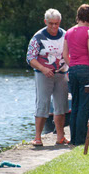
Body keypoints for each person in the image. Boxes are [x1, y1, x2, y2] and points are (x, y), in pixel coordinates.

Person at [26, 9, 69, 146]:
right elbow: (30, 58)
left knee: (61, 105)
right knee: (42, 104)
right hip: (43, 74)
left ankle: (60, 136)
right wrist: (43, 69)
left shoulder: (65, 35)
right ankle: (38, 137)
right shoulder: (38, 37)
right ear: (45, 22)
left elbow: (70, 53)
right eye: (51, 24)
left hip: (61, 74)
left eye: (56, 23)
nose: (54, 27)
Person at [63, 4, 89, 146]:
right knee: (84, 106)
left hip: (73, 70)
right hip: (87, 69)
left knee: (75, 104)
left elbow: (65, 55)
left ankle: (74, 138)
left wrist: (73, 66)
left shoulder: (68, 32)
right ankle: (81, 140)